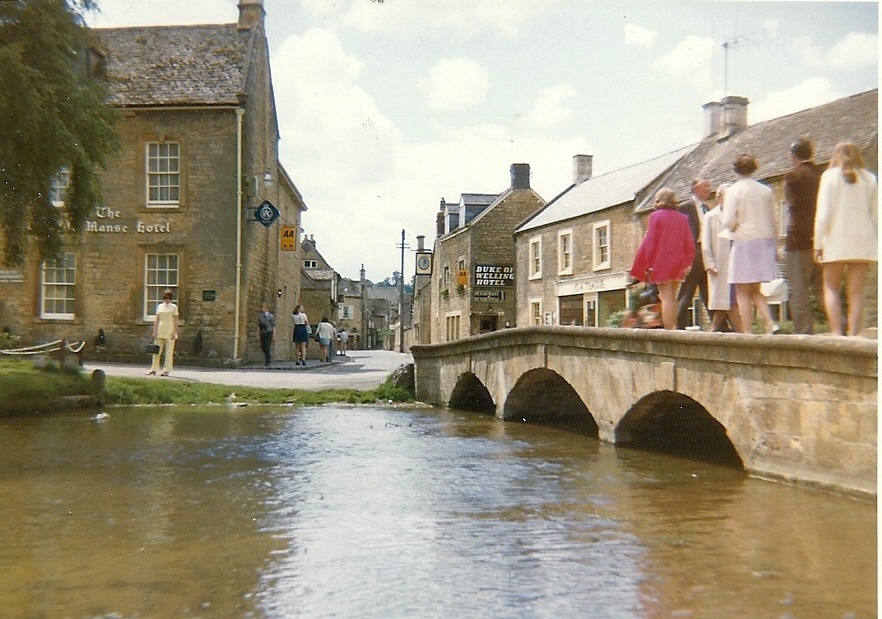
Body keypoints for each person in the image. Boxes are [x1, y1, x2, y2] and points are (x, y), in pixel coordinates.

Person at [814, 141, 878, 336]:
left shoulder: (829, 177)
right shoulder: (869, 179)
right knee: (856, 293)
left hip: (836, 239)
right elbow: (876, 216)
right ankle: (854, 335)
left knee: (831, 288)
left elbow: (823, 214)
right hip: (863, 240)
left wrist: (817, 244)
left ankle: (836, 332)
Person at [721, 154, 779, 334]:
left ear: (735, 169)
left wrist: (732, 224)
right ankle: (770, 322)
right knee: (755, 288)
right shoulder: (765, 190)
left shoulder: (733, 190)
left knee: (742, 290)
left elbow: (728, 221)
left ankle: (747, 331)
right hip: (764, 240)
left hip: (744, 240)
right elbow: (773, 219)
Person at [630, 187, 695, 330]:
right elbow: (689, 243)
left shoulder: (655, 216)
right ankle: (673, 327)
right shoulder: (682, 218)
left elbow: (650, 242)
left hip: (661, 262)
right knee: (672, 297)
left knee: (665, 297)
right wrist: (687, 264)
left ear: (659, 200)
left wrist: (647, 263)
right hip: (678, 262)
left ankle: (668, 330)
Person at [784, 138, 822, 334]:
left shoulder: (793, 177)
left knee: (798, 292)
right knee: (823, 289)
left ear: (793, 155)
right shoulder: (821, 174)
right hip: (822, 240)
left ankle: (803, 334)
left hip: (798, 241)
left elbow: (794, 209)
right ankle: (841, 327)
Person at [702, 183, 743, 333]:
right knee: (727, 301)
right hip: (720, 264)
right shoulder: (710, 217)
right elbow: (705, 243)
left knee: (730, 301)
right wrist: (709, 263)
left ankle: (715, 331)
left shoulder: (738, 215)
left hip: (737, 262)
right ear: (719, 198)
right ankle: (742, 335)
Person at [676, 178, 711, 329]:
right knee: (686, 293)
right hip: (692, 255)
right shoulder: (685, 208)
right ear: (695, 188)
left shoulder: (708, 209)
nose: (709, 189)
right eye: (706, 186)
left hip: (707, 255)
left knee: (709, 293)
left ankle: (719, 326)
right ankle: (679, 327)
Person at [147, 289, 179, 376]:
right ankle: (153, 369)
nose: (167, 300)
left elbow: (176, 321)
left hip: (170, 329)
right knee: (156, 351)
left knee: (169, 352)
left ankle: (166, 370)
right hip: (160, 329)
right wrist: (155, 331)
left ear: (171, 298)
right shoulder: (160, 306)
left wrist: (174, 332)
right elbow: (157, 319)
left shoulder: (174, 307)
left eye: (169, 298)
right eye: (165, 298)